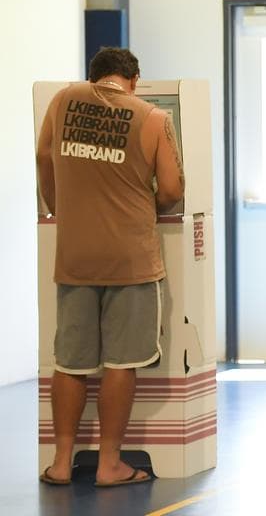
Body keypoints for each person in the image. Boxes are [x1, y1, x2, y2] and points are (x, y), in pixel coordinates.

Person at [35, 47, 184, 488]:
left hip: (75, 256)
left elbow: (44, 157)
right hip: (130, 259)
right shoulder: (153, 117)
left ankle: (62, 463)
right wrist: (147, 205)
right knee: (121, 362)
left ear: (93, 76)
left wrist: (58, 204)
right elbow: (172, 189)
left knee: (71, 362)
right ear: (134, 79)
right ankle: (109, 464)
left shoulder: (62, 101)